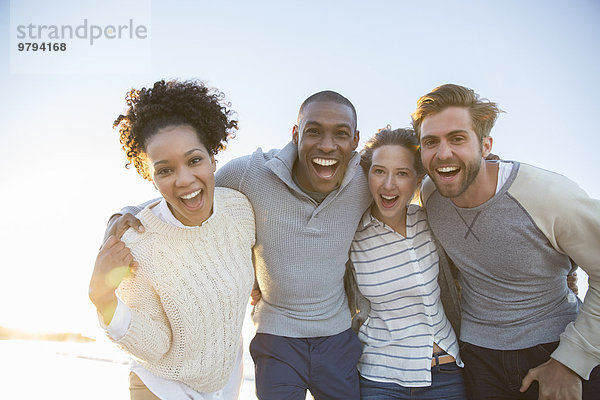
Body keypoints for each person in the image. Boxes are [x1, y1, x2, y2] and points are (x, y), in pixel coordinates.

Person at [107, 90, 373, 400]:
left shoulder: (366, 180)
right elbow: (191, 190)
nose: (326, 145)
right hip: (277, 336)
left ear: (355, 140)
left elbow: (408, 179)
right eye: (313, 131)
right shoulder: (252, 174)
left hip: (336, 335)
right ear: (296, 134)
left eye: (340, 134)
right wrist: (126, 213)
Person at [411, 83, 600, 399]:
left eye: (457, 138)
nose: (443, 153)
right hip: (479, 359)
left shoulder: (548, 194)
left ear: (485, 145)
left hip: (557, 346)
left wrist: (570, 361)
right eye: (431, 142)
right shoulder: (431, 195)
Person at [88, 80, 256, 400]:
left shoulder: (239, 210)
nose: (184, 180)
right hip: (162, 388)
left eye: (194, 160)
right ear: (151, 177)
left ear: (213, 158)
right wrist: (103, 298)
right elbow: (154, 344)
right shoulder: (140, 244)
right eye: (165, 170)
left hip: (225, 386)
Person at [347, 127, 467, 399]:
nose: (388, 185)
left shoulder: (432, 220)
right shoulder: (353, 235)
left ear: (418, 178)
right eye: (379, 171)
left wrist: (567, 271)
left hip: (445, 375)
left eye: (401, 173)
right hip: (379, 378)